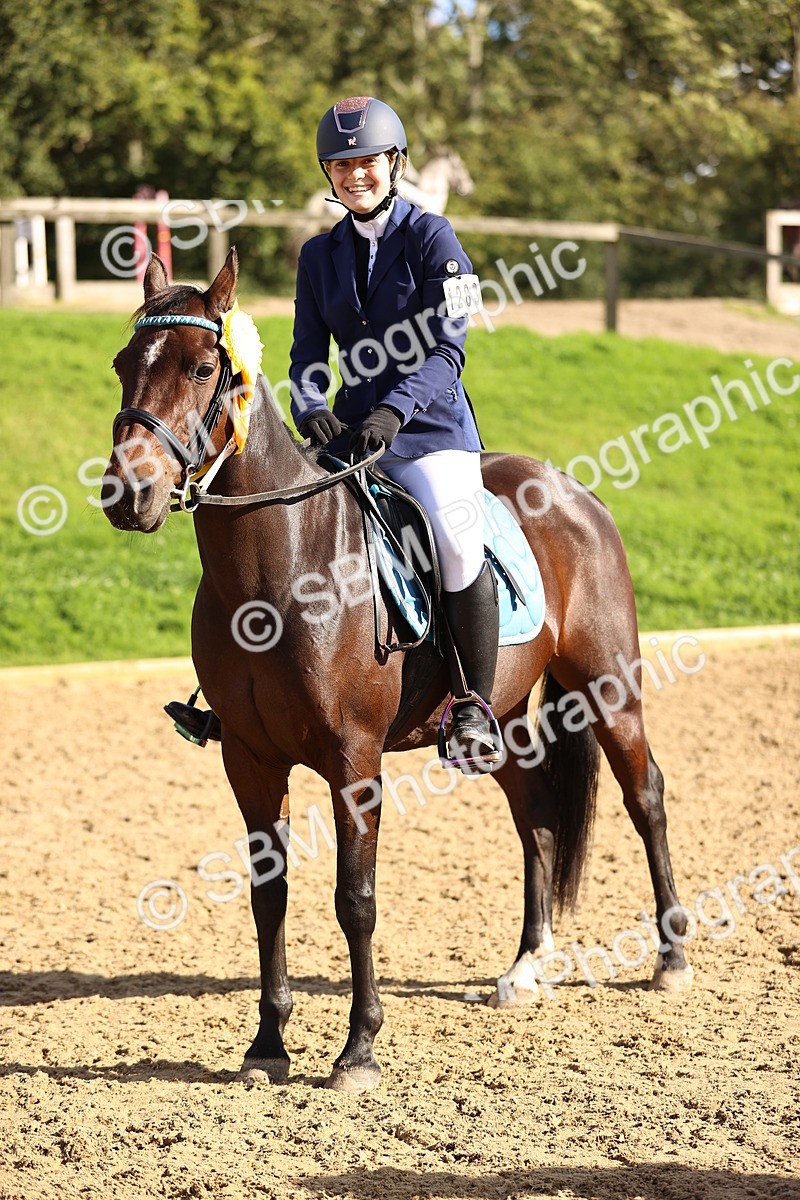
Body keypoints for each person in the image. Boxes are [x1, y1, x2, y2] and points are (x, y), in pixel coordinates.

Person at [169, 96, 499, 768]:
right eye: (341, 164)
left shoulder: (435, 239)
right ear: (329, 173)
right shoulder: (319, 255)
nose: (356, 175)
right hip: (348, 433)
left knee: (456, 537)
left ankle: (474, 705)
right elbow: (304, 357)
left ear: (394, 163)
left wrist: (394, 410)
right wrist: (314, 403)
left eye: (368, 162)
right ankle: (236, 697)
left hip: (429, 429)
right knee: (278, 529)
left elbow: (450, 350)